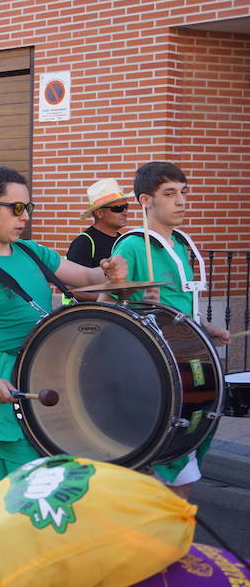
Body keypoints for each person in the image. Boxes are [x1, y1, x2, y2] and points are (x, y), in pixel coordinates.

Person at [0, 166, 127, 489]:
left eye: (28, 209)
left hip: (52, 377)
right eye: (16, 208)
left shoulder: (31, 252)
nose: (25, 218)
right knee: (20, 494)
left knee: (56, 488)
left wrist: (109, 269)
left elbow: (89, 279)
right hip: (9, 384)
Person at [111, 161, 229, 498]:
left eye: (183, 192)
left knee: (187, 452)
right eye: (170, 194)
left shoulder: (179, 245)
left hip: (188, 358)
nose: (181, 201)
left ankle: (171, 541)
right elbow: (107, 305)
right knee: (156, 459)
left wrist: (206, 327)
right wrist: (128, 291)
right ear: (146, 200)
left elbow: (180, 305)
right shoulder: (133, 246)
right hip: (152, 368)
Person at [65, 179, 131, 302]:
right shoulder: (84, 243)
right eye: (118, 208)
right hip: (92, 316)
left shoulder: (123, 240)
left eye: (126, 207)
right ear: (99, 213)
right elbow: (73, 289)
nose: (125, 212)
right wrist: (111, 301)